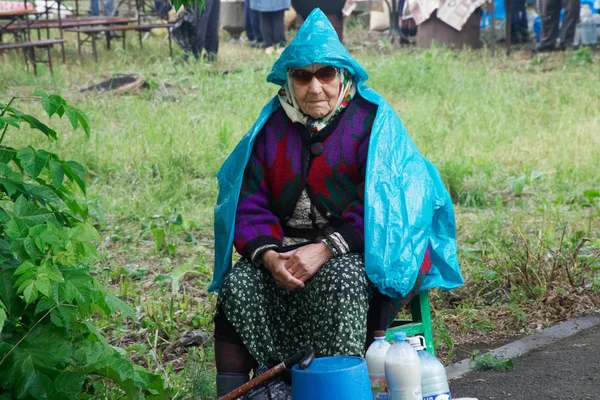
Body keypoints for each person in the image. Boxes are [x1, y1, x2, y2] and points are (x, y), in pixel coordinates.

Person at [209, 9, 463, 397]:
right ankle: (271, 383)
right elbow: (248, 202)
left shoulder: (371, 121)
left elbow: (388, 204)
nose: (315, 88)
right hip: (287, 250)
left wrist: (326, 250)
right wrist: (270, 257)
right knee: (240, 283)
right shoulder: (271, 128)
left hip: (362, 246)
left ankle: (336, 386)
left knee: (341, 280)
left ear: (342, 75)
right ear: (288, 81)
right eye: (303, 76)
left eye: (325, 74)